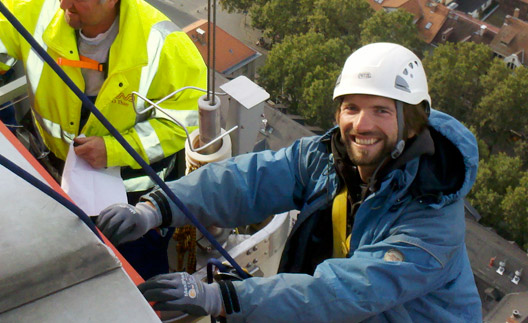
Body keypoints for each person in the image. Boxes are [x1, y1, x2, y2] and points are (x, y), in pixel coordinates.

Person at [97, 43, 482, 321]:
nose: (361, 125)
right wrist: (155, 209)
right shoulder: (329, 158)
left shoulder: (431, 221)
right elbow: (249, 180)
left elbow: (347, 292)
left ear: (411, 122)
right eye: (352, 107)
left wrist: (223, 297)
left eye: (381, 111)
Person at [0, 0, 207, 279]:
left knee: (136, 272)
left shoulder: (163, 43)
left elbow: (184, 121)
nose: (64, 4)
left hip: (135, 198)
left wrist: (115, 149)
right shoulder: (36, 10)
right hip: (59, 175)